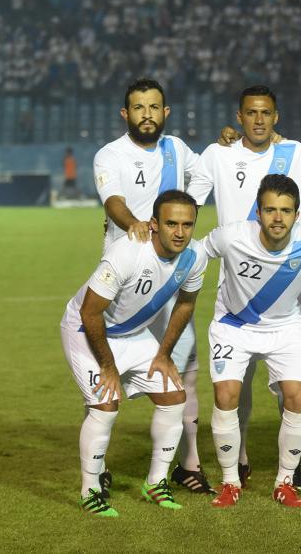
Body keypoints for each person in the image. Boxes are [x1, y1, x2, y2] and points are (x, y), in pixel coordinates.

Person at [187, 85, 301, 491]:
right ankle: (242, 454)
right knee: (237, 382)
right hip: (237, 288)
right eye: (251, 113)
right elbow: (189, 203)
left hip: (287, 290)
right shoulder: (219, 155)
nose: (258, 119)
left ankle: (292, 466)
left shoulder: (295, 153)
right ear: (239, 117)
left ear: (276, 116)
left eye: (265, 112)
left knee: (289, 386)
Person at [93, 78, 211, 494]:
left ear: (166, 113)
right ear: (126, 114)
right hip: (125, 285)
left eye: (154, 107)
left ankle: (188, 463)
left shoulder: (177, 148)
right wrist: (136, 227)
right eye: (138, 107)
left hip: (172, 279)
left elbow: (205, 174)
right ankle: (99, 467)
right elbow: (113, 201)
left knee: (183, 375)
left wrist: (186, 209)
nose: (147, 114)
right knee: (108, 380)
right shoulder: (110, 154)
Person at [60, 190, 208, 516]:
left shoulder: (195, 257)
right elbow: (89, 312)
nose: (180, 232)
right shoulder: (127, 252)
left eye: (187, 224)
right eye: (171, 223)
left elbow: (186, 304)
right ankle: (90, 489)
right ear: (154, 224)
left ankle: (156, 482)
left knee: (174, 398)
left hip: (133, 334)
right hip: (87, 330)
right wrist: (108, 367)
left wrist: (163, 354)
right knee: (106, 405)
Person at [202, 174, 301, 509]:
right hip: (233, 326)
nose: (278, 218)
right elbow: (193, 253)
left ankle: (285, 482)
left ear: (296, 213)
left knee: (297, 396)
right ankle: (230, 482)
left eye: (286, 210)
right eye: (270, 210)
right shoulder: (231, 236)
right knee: (226, 394)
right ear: (258, 212)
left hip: (284, 328)